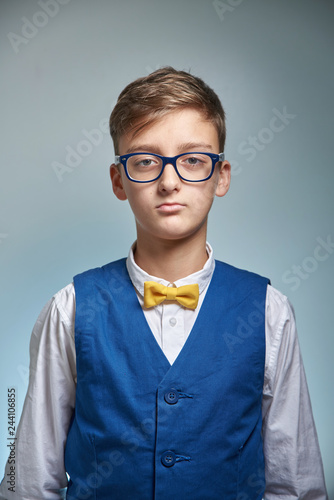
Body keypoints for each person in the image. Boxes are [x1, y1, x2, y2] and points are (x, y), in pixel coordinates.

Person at [0, 67, 328, 499]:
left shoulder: (269, 310)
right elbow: (28, 479)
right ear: (119, 180)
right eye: (146, 161)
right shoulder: (71, 308)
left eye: (192, 159)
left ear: (222, 175)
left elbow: (294, 483)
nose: (169, 181)